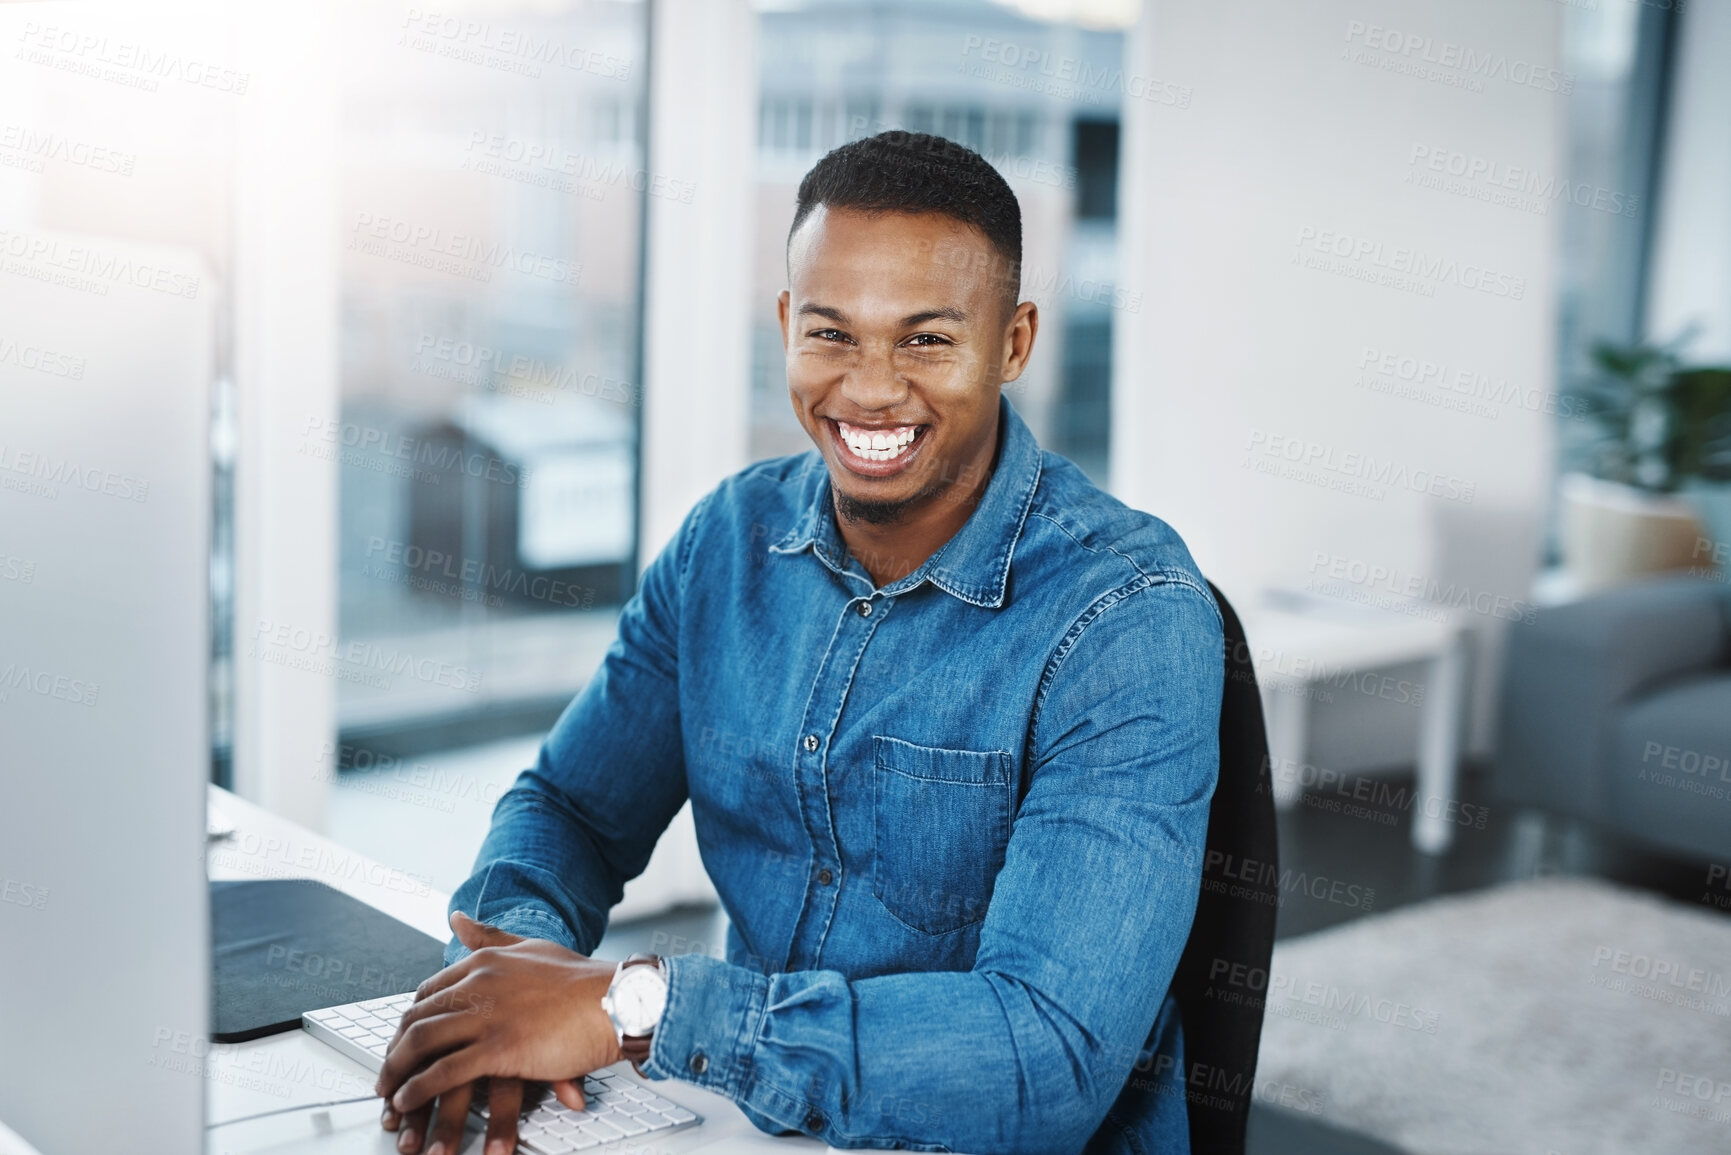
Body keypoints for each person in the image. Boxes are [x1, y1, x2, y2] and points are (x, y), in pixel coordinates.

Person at [375, 130, 1224, 1155]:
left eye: (925, 340)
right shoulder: (726, 545)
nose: (869, 390)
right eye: (831, 334)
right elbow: (571, 810)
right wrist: (514, 980)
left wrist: (630, 1011)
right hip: (747, 1125)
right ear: (786, 326)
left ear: (1013, 343)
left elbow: (1046, 1060)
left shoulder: (1128, 617)